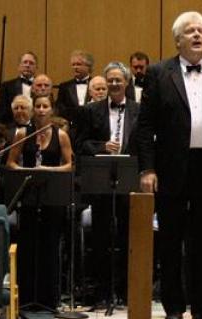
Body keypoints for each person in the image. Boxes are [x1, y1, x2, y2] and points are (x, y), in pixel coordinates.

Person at [136, 11, 202, 319]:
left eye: (201, 31)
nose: (197, 35)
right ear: (177, 39)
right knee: (170, 240)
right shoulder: (158, 73)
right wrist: (147, 169)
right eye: (190, 31)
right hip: (171, 168)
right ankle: (173, 307)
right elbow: (145, 126)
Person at [76, 61, 139, 304]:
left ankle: (124, 291)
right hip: (101, 183)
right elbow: (81, 144)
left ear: (126, 82)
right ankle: (102, 292)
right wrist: (101, 147)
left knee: (127, 238)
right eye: (110, 79)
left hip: (129, 180)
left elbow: (146, 145)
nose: (114, 84)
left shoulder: (139, 110)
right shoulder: (91, 110)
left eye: (118, 80)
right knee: (101, 239)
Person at [6, 94, 72, 309]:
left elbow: (70, 166)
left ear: (51, 110)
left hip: (52, 198)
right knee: (28, 247)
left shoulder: (60, 135)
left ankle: (48, 300)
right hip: (29, 197)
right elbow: (11, 163)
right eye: (38, 106)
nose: (42, 110)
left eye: (46, 106)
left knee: (50, 247)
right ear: (33, 109)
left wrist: (47, 170)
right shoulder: (23, 134)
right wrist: (28, 171)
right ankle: (26, 299)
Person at [0, 51, 38, 124]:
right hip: (13, 127)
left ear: (36, 67)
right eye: (25, 62)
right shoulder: (7, 86)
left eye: (31, 63)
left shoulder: (41, 86)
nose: (27, 65)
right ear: (19, 66)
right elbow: (2, 111)